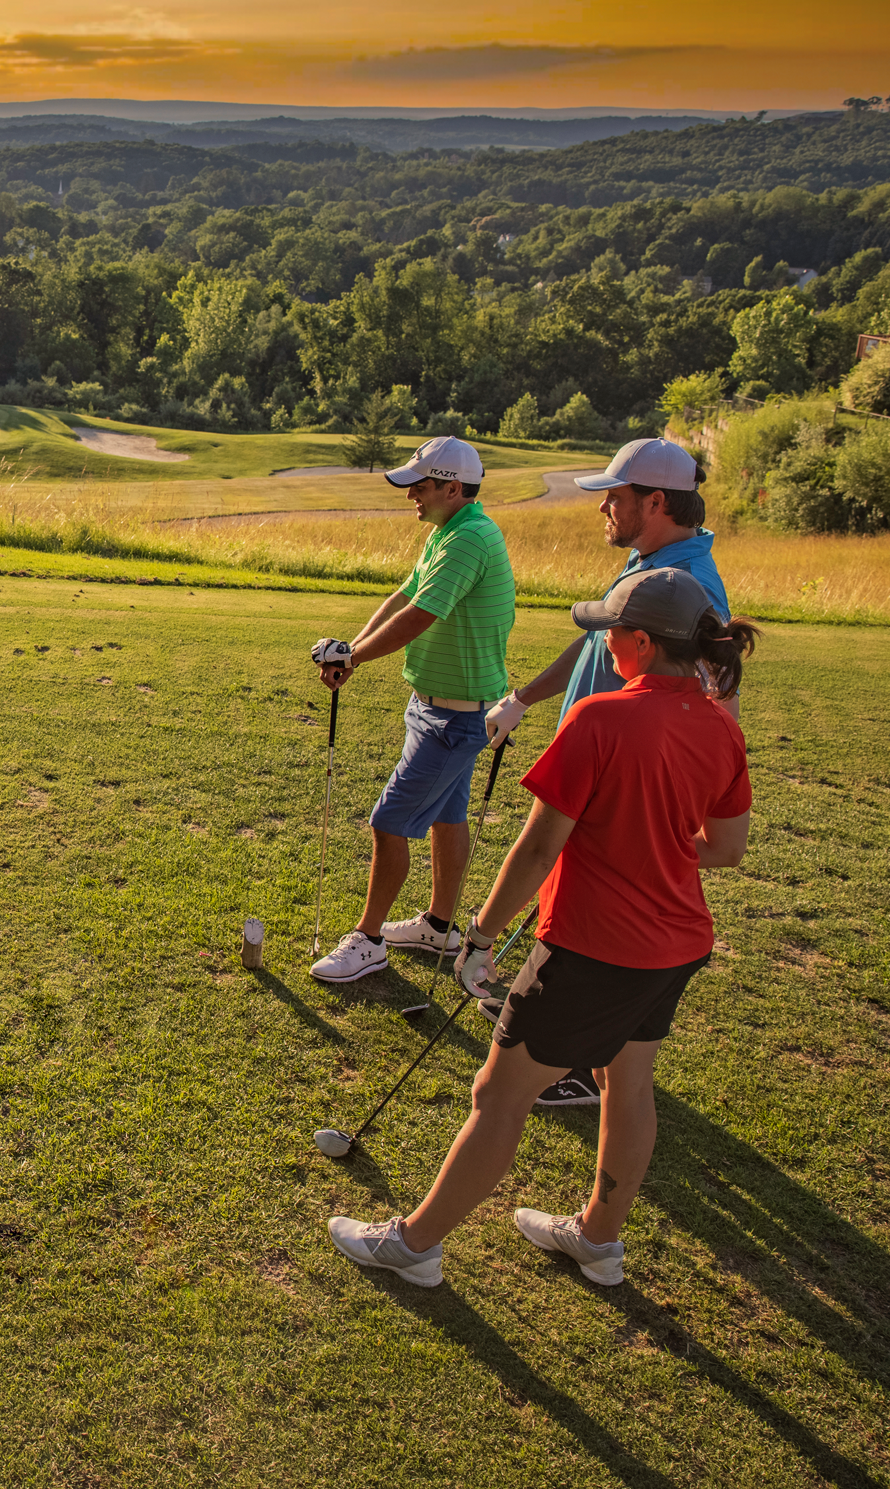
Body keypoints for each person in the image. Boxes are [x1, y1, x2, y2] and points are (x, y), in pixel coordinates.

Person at [325, 568, 758, 1288]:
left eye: (611, 630)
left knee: (500, 1093)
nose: (605, 641)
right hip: (675, 947)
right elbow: (727, 847)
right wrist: (646, 842)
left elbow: (536, 847)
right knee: (629, 1083)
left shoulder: (600, 718)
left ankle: (414, 1246)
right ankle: (597, 1239)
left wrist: (482, 935)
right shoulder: (720, 722)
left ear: (642, 643)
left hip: (593, 949)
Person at [484, 436, 729, 1110]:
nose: (603, 509)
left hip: (619, 781)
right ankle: (556, 1031)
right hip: (593, 764)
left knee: (588, 927)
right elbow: (595, 635)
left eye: (614, 497)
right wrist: (525, 698)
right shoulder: (648, 560)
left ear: (655, 501)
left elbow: (704, 710)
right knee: (560, 907)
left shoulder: (691, 587)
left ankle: (565, 1058)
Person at [307, 435, 516, 985]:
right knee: (448, 817)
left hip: (455, 717)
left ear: (452, 487)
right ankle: (440, 927)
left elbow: (420, 616)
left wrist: (354, 657)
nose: (411, 497)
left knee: (389, 821)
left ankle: (369, 940)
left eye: (419, 486)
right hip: (437, 707)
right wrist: (349, 648)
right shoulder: (450, 532)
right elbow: (404, 595)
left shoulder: (469, 538)